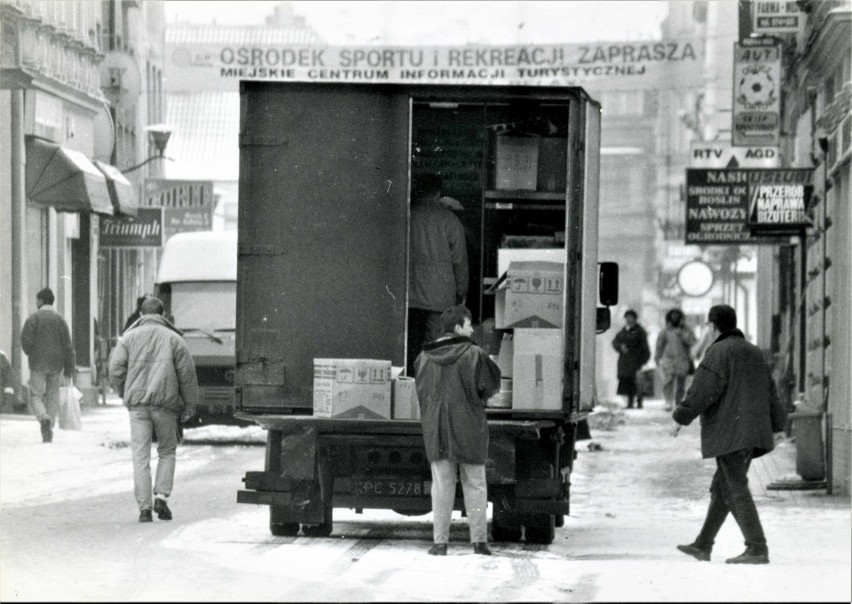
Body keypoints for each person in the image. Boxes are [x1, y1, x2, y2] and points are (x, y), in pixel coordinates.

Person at [671, 305, 787, 565]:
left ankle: (757, 547)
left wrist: (680, 418)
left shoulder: (718, 352)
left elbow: (702, 391)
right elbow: (771, 390)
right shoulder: (753, 351)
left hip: (730, 431)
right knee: (723, 487)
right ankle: (703, 544)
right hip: (751, 431)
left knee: (735, 487)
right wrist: (779, 426)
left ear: (712, 327)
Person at [414, 305, 501, 556]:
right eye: (468, 324)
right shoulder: (475, 354)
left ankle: (440, 543)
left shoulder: (423, 358)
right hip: (470, 426)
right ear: (457, 328)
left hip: (436, 427)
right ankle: (479, 542)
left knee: (441, 486)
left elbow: (420, 393)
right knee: (474, 485)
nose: (472, 328)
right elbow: (490, 386)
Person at [108, 296, 198, 523]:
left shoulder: (128, 338)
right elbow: (187, 376)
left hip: (137, 407)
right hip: (165, 406)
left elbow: (115, 369)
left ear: (141, 314)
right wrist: (189, 404)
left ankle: (144, 509)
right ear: (163, 315)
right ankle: (161, 497)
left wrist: (124, 392)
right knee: (167, 450)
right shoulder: (174, 339)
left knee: (140, 456)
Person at [407, 172, 469, 376]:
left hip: (411, 295)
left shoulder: (407, 216)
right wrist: (461, 292)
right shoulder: (450, 221)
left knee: (410, 347)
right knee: (435, 349)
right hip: (441, 297)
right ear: (438, 193)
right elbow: (460, 261)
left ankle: (409, 392)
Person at [20, 287, 75, 443]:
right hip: (56, 364)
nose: (36, 302)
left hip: (38, 362)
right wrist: (69, 368)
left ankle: (43, 418)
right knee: (53, 395)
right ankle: (49, 426)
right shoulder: (60, 320)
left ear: (42, 300)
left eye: (37, 299)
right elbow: (68, 346)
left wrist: (31, 352)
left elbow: (26, 341)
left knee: (36, 395)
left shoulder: (33, 319)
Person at [654, 308, 697, 411]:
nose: (675, 318)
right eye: (672, 316)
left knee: (681, 382)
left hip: (683, 359)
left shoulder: (687, 330)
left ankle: (679, 401)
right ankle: (668, 402)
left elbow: (693, 342)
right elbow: (659, 345)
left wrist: (682, 333)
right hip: (668, 359)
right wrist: (657, 357)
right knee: (668, 381)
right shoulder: (665, 331)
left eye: (677, 316)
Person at [612, 309, 651, 409]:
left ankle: (639, 401)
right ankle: (630, 402)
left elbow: (645, 347)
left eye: (630, 317)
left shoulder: (640, 331)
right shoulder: (623, 331)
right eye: (627, 317)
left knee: (637, 381)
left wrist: (643, 360)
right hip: (625, 361)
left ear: (635, 318)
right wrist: (620, 347)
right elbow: (615, 341)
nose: (628, 319)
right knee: (627, 381)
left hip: (636, 360)